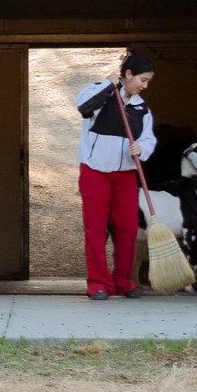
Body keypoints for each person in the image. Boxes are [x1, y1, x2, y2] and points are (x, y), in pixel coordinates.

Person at [75, 50, 157, 300]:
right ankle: (98, 283)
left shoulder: (142, 109)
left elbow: (149, 139)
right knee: (96, 229)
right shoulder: (99, 91)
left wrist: (141, 148)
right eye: (142, 79)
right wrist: (111, 85)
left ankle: (123, 280)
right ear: (128, 74)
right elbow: (84, 108)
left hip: (125, 175)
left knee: (128, 228)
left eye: (148, 82)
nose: (145, 86)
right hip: (95, 171)